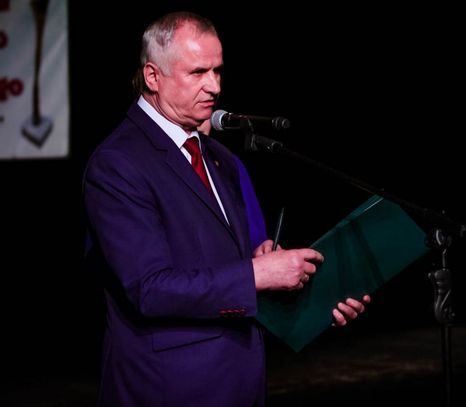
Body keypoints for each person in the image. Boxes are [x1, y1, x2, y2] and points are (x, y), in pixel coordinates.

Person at [83, 11, 370, 406]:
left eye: (217, 71)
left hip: (240, 379)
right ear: (152, 76)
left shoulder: (219, 158)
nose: (214, 86)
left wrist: (315, 295)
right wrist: (257, 273)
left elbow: (224, 270)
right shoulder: (118, 162)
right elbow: (149, 290)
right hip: (170, 389)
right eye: (198, 72)